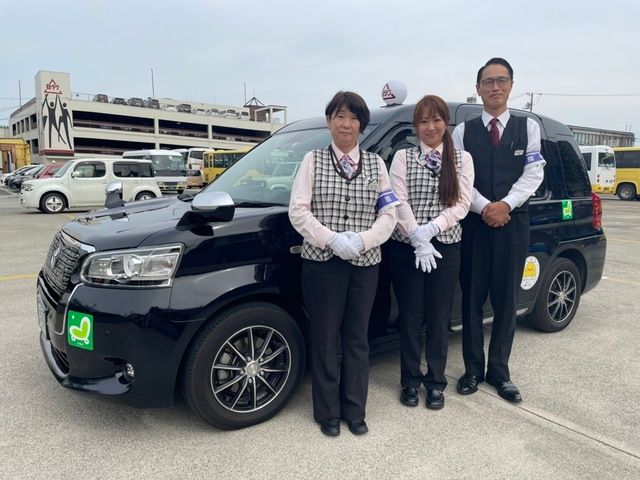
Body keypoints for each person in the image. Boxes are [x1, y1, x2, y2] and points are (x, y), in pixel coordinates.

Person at [289, 91, 398, 436]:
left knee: (357, 337)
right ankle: (327, 412)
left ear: (362, 125)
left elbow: (389, 213)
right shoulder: (313, 160)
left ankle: (355, 409)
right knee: (324, 337)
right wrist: (331, 239)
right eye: (339, 116)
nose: (346, 124)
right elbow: (298, 211)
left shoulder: (377, 164)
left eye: (353, 118)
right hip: (322, 264)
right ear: (329, 121)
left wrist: (364, 241)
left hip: (365, 264)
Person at [452, 58, 546, 403]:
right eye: (488, 82)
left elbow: (533, 174)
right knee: (471, 300)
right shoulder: (462, 132)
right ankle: (472, 370)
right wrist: (484, 207)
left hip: (513, 224)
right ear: (478, 88)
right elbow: (459, 179)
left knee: (507, 301)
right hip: (474, 225)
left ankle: (500, 373)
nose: (495, 87)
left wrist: (505, 204)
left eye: (501, 80)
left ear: (511, 85)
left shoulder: (528, 127)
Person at [388, 95, 474, 410]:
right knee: (410, 316)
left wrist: (431, 230)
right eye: (423, 121)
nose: (430, 127)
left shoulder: (462, 159)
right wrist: (416, 236)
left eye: (436, 120)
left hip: (446, 246)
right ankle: (410, 380)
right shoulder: (403, 157)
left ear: (445, 123)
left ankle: (436, 381)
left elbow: (462, 204)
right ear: (416, 126)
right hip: (406, 247)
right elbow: (398, 201)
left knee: (439, 316)